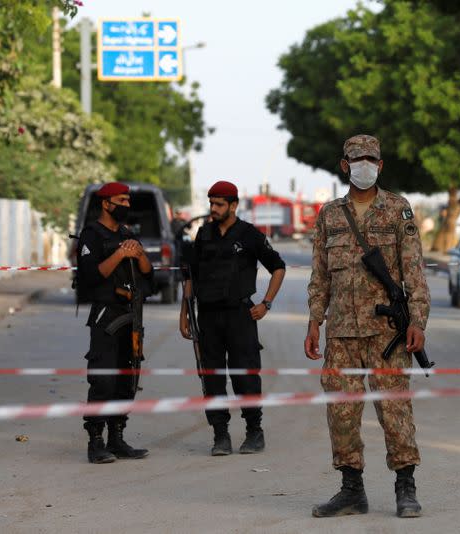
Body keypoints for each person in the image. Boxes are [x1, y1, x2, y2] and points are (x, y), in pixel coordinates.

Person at [304, 134, 430, 518]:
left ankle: (405, 487)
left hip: (386, 334)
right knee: (341, 413)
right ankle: (351, 489)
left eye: (369, 158)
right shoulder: (329, 215)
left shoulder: (398, 210)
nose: (363, 164)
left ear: (380, 164)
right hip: (341, 333)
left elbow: (414, 272)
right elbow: (320, 276)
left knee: (395, 410)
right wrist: (314, 321)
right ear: (344, 165)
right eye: (355, 158)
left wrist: (418, 321)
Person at [179, 180, 286, 456]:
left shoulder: (249, 235)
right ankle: (220, 435)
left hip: (240, 315)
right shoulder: (203, 235)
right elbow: (191, 276)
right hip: (209, 317)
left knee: (246, 375)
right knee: (212, 378)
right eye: (211, 203)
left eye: (219, 204)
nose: (213, 209)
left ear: (233, 205)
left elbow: (278, 267)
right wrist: (184, 313)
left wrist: (266, 303)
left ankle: (254, 431)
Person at [76, 182, 152, 464]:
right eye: (121, 200)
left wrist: (139, 253)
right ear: (106, 203)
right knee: (103, 379)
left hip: (131, 316)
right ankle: (95, 441)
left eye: (128, 200)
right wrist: (120, 254)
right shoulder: (91, 235)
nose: (127, 205)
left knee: (127, 379)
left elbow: (149, 275)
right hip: (106, 315)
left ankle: (117, 438)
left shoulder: (127, 234)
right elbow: (91, 276)